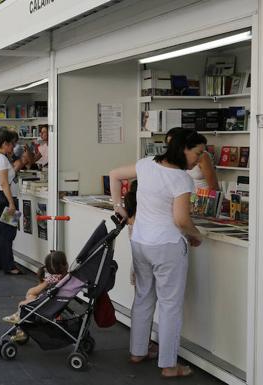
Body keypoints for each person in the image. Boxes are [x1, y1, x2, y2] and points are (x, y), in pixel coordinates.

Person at [109, 128, 206, 379]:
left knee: (143, 298)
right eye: (197, 153)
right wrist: (196, 235)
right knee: (170, 305)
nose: (199, 159)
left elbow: (114, 175)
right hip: (168, 247)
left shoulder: (146, 164)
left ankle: (138, 351)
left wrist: (119, 208)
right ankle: (169, 365)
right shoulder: (181, 179)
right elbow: (181, 220)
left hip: (141, 242)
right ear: (184, 148)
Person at [0, 129, 23, 275]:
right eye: (11, 144)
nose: (12, 148)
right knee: (8, 234)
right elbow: (4, 182)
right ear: (5, 143)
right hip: (6, 199)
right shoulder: (1, 159)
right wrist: (11, 203)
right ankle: (9, 265)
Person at [2, 250, 69, 323]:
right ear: (66, 264)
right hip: (57, 304)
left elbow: (34, 291)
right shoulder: (68, 278)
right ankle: (20, 319)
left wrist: (45, 283)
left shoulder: (53, 278)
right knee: (31, 297)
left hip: (48, 306)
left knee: (23, 303)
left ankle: (20, 324)